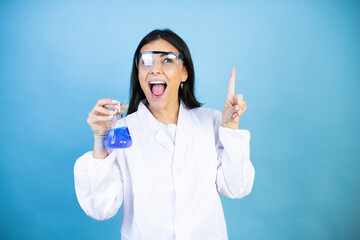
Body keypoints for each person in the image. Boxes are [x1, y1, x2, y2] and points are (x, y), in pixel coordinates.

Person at [74, 29, 255, 240]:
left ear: (184, 72)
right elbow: (100, 209)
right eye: (146, 61)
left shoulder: (212, 122)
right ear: (138, 72)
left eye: (167, 60)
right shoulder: (122, 131)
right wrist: (99, 138)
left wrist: (231, 127)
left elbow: (237, 188)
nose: (155, 69)